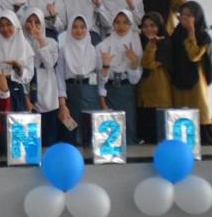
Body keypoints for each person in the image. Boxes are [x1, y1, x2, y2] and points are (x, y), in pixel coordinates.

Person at [171, 1, 212, 145]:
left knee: (199, 107)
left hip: (196, 79)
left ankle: (205, 136)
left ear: (197, 17)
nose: (185, 18)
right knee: (181, 107)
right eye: (182, 15)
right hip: (179, 78)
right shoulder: (177, 34)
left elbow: (194, 55)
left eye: (189, 15)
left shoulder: (203, 37)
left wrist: (191, 32)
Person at [97, 9, 143, 144]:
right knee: (113, 128)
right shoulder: (104, 45)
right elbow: (100, 77)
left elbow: (135, 80)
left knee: (129, 126)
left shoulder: (135, 43)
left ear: (130, 25)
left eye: (125, 23)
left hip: (127, 89)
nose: (121, 26)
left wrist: (134, 62)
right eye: (117, 22)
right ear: (113, 24)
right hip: (110, 90)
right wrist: (106, 65)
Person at [55, 15, 102, 145]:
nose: (79, 30)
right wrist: (62, 104)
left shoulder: (94, 50)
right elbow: (60, 77)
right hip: (71, 93)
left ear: (87, 29)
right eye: (75, 27)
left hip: (90, 93)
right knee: (71, 130)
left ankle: (88, 155)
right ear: (70, 29)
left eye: (82, 27)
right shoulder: (63, 50)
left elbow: (99, 76)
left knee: (90, 131)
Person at [23, 8, 62, 147]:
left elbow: (49, 63)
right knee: (31, 142)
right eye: (29, 21)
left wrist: (40, 41)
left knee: (48, 140)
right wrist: (26, 97)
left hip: (48, 92)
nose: (33, 25)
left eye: (37, 22)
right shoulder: (21, 42)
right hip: (28, 93)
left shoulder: (51, 43)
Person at [0, 10, 34, 114]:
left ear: (15, 24)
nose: (5, 29)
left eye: (8, 24)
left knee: (15, 121)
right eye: (1, 25)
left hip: (16, 90)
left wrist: (19, 70)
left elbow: (29, 75)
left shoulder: (25, 46)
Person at [136, 11, 174, 144]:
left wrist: (151, 47)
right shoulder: (139, 42)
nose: (149, 29)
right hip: (143, 93)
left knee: (160, 134)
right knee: (147, 135)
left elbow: (149, 64)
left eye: (152, 25)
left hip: (159, 91)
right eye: (145, 26)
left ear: (159, 26)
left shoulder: (165, 44)